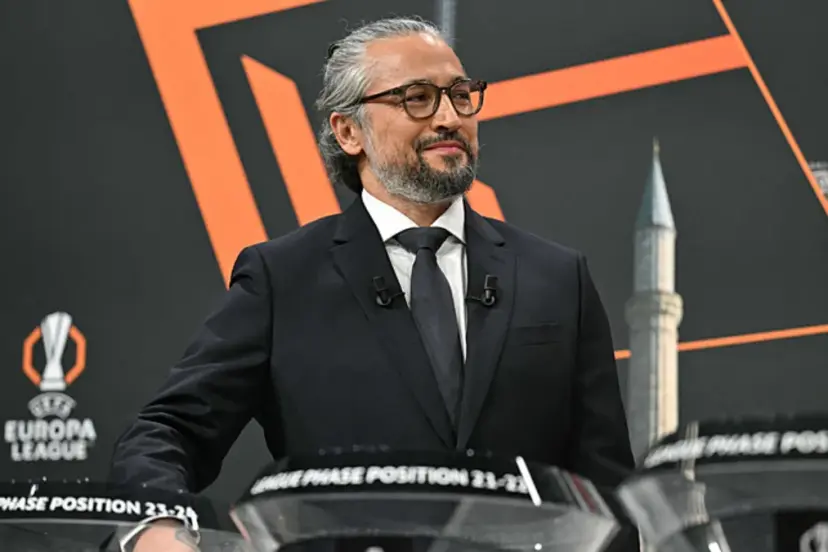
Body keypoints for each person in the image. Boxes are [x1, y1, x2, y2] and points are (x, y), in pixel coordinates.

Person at [110, 16, 638, 552]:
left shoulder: (557, 278)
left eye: (460, 95)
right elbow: (169, 430)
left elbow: (608, 489)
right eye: (417, 98)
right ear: (348, 132)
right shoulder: (282, 278)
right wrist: (155, 527)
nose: (450, 117)